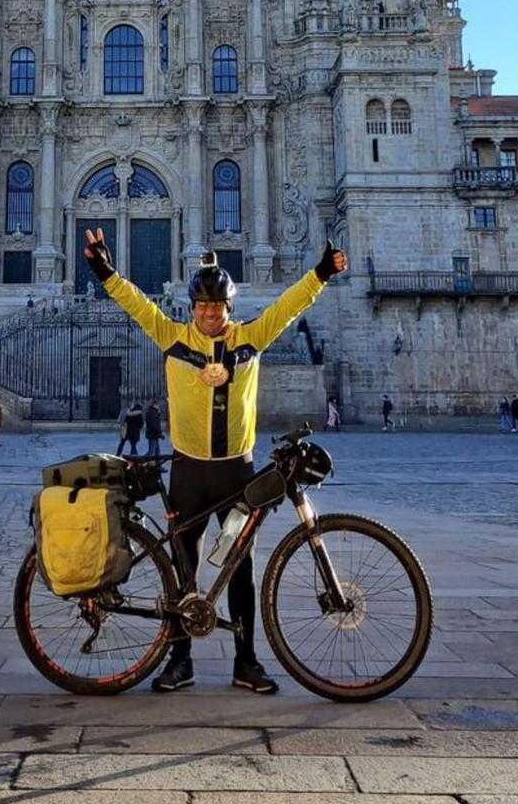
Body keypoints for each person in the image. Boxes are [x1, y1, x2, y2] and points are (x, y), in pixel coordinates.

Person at [84, 228, 346, 695]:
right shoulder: (172, 337)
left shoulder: (251, 338)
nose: (209, 314)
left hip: (236, 473)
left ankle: (246, 662)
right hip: (189, 471)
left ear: (229, 308)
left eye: (217, 306)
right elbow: (137, 304)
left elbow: (288, 307)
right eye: (203, 307)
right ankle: (179, 660)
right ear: (193, 308)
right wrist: (105, 271)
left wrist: (321, 274)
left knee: (241, 569)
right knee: (183, 569)